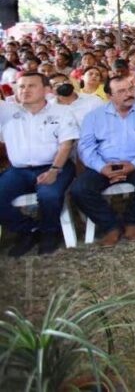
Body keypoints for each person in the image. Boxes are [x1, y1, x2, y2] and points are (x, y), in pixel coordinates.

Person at [72, 75, 135, 247]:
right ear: (109, 96)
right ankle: (110, 225)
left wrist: (133, 165)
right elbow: (85, 147)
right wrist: (101, 168)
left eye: (130, 89)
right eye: (121, 91)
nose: (128, 94)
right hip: (105, 164)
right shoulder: (94, 117)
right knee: (80, 189)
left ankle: (132, 220)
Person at [0, 73, 78, 257]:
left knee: (48, 194)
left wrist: (54, 170)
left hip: (56, 166)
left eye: (31, 85)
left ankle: (50, 232)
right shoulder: (7, 113)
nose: (25, 90)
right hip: (19, 171)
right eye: (21, 86)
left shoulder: (61, 112)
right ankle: (28, 230)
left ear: (46, 90)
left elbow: (66, 144)